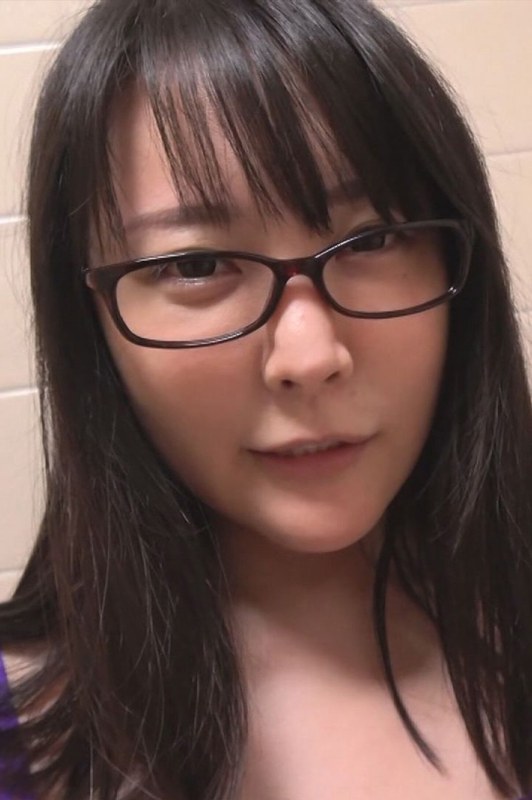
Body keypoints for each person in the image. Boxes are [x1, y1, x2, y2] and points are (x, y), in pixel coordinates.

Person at [0, 0, 531, 797]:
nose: (310, 358)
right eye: (195, 266)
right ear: (93, 325)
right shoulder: (23, 731)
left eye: (373, 240)